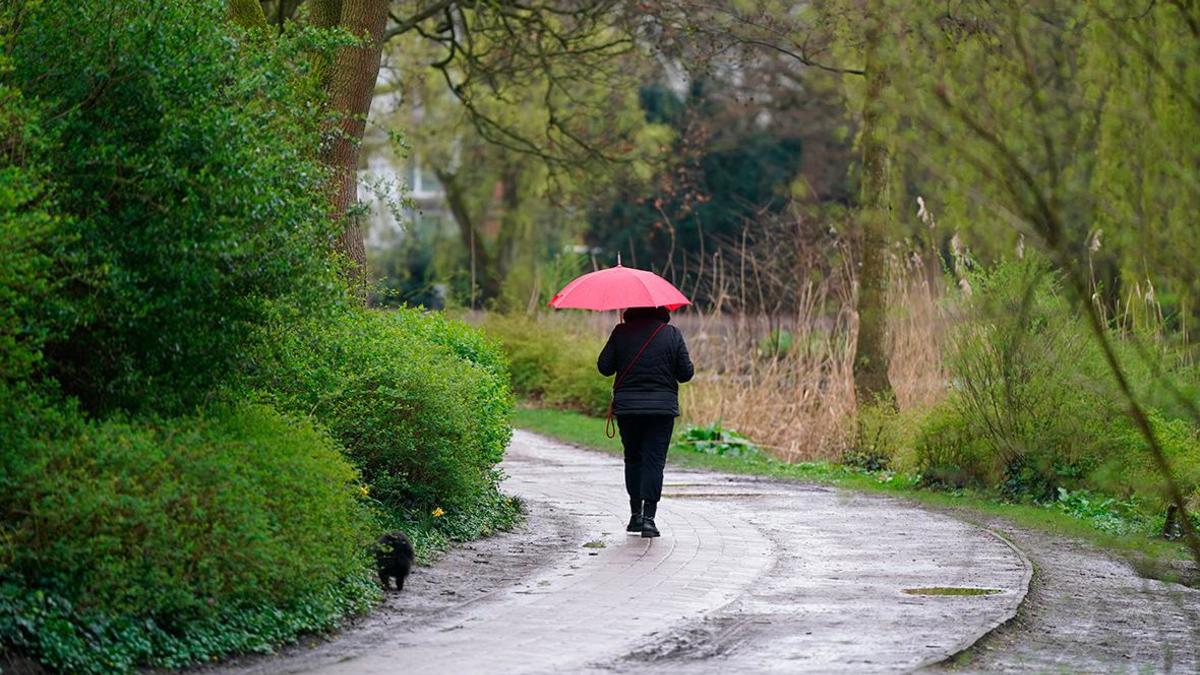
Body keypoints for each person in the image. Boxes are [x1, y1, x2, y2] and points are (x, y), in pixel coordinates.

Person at [597, 306, 694, 538]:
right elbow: (685, 373)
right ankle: (649, 520)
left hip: (628, 409)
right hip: (662, 410)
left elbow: (604, 368)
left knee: (633, 459)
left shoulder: (621, 332)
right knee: (654, 461)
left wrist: (622, 341)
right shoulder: (672, 334)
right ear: (660, 308)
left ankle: (635, 516)